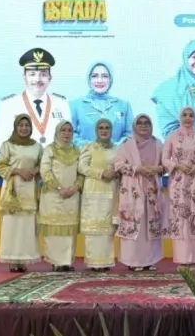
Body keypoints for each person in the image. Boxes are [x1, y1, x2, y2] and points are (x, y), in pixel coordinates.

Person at [115, 114, 167, 271]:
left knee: (149, 227)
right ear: (134, 126)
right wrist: (137, 169)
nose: (144, 126)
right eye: (140, 123)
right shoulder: (126, 144)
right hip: (133, 191)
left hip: (152, 190)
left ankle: (150, 260)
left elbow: (165, 165)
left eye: (147, 123)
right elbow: (118, 165)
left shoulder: (158, 143)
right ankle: (133, 261)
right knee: (134, 225)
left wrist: (158, 169)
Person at [0, 48, 71, 152]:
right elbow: (1, 147)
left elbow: (68, 141)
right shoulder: (8, 105)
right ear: (24, 77)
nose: (37, 79)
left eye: (43, 74)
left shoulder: (62, 104)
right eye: (32, 74)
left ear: (50, 77)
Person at [0, 114, 43, 272]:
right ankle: (12, 260)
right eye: (21, 125)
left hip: (30, 189)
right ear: (16, 127)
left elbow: (43, 165)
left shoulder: (37, 146)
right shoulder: (7, 145)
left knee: (27, 226)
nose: (24, 128)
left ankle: (24, 260)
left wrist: (35, 170)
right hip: (12, 190)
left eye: (27, 125)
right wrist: (18, 171)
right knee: (12, 225)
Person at [162, 106, 195, 268]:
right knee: (180, 219)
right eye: (184, 115)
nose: (188, 118)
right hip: (178, 184)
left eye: (191, 115)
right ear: (180, 117)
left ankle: (194, 259)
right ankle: (182, 259)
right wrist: (178, 165)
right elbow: (165, 159)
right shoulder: (173, 136)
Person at [38, 120, 82, 271]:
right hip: (53, 195)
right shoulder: (49, 150)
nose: (66, 133)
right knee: (54, 230)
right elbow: (45, 171)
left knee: (69, 231)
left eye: (70, 130)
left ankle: (67, 262)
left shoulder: (77, 150)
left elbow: (81, 172)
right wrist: (59, 188)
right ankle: (56, 262)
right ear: (57, 132)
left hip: (72, 195)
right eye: (63, 130)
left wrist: (75, 187)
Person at [78, 118, 120, 271]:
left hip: (110, 190)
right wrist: (101, 173)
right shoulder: (89, 147)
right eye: (101, 128)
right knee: (94, 229)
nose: (104, 130)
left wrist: (116, 172)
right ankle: (93, 262)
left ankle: (106, 262)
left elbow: (121, 166)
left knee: (107, 228)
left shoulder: (117, 149)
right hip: (93, 191)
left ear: (111, 130)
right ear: (96, 130)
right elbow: (82, 167)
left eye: (107, 128)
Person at [72, 61, 134, 147]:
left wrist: (114, 148)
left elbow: (130, 135)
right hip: (85, 154)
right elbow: (70, 135)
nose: (100, 80)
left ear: (110, 79)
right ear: (89, 79)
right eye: (95, 76)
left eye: (104, 76)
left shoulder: (124, 106)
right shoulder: (75, 105)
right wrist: (91, 148)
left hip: (117, 154)